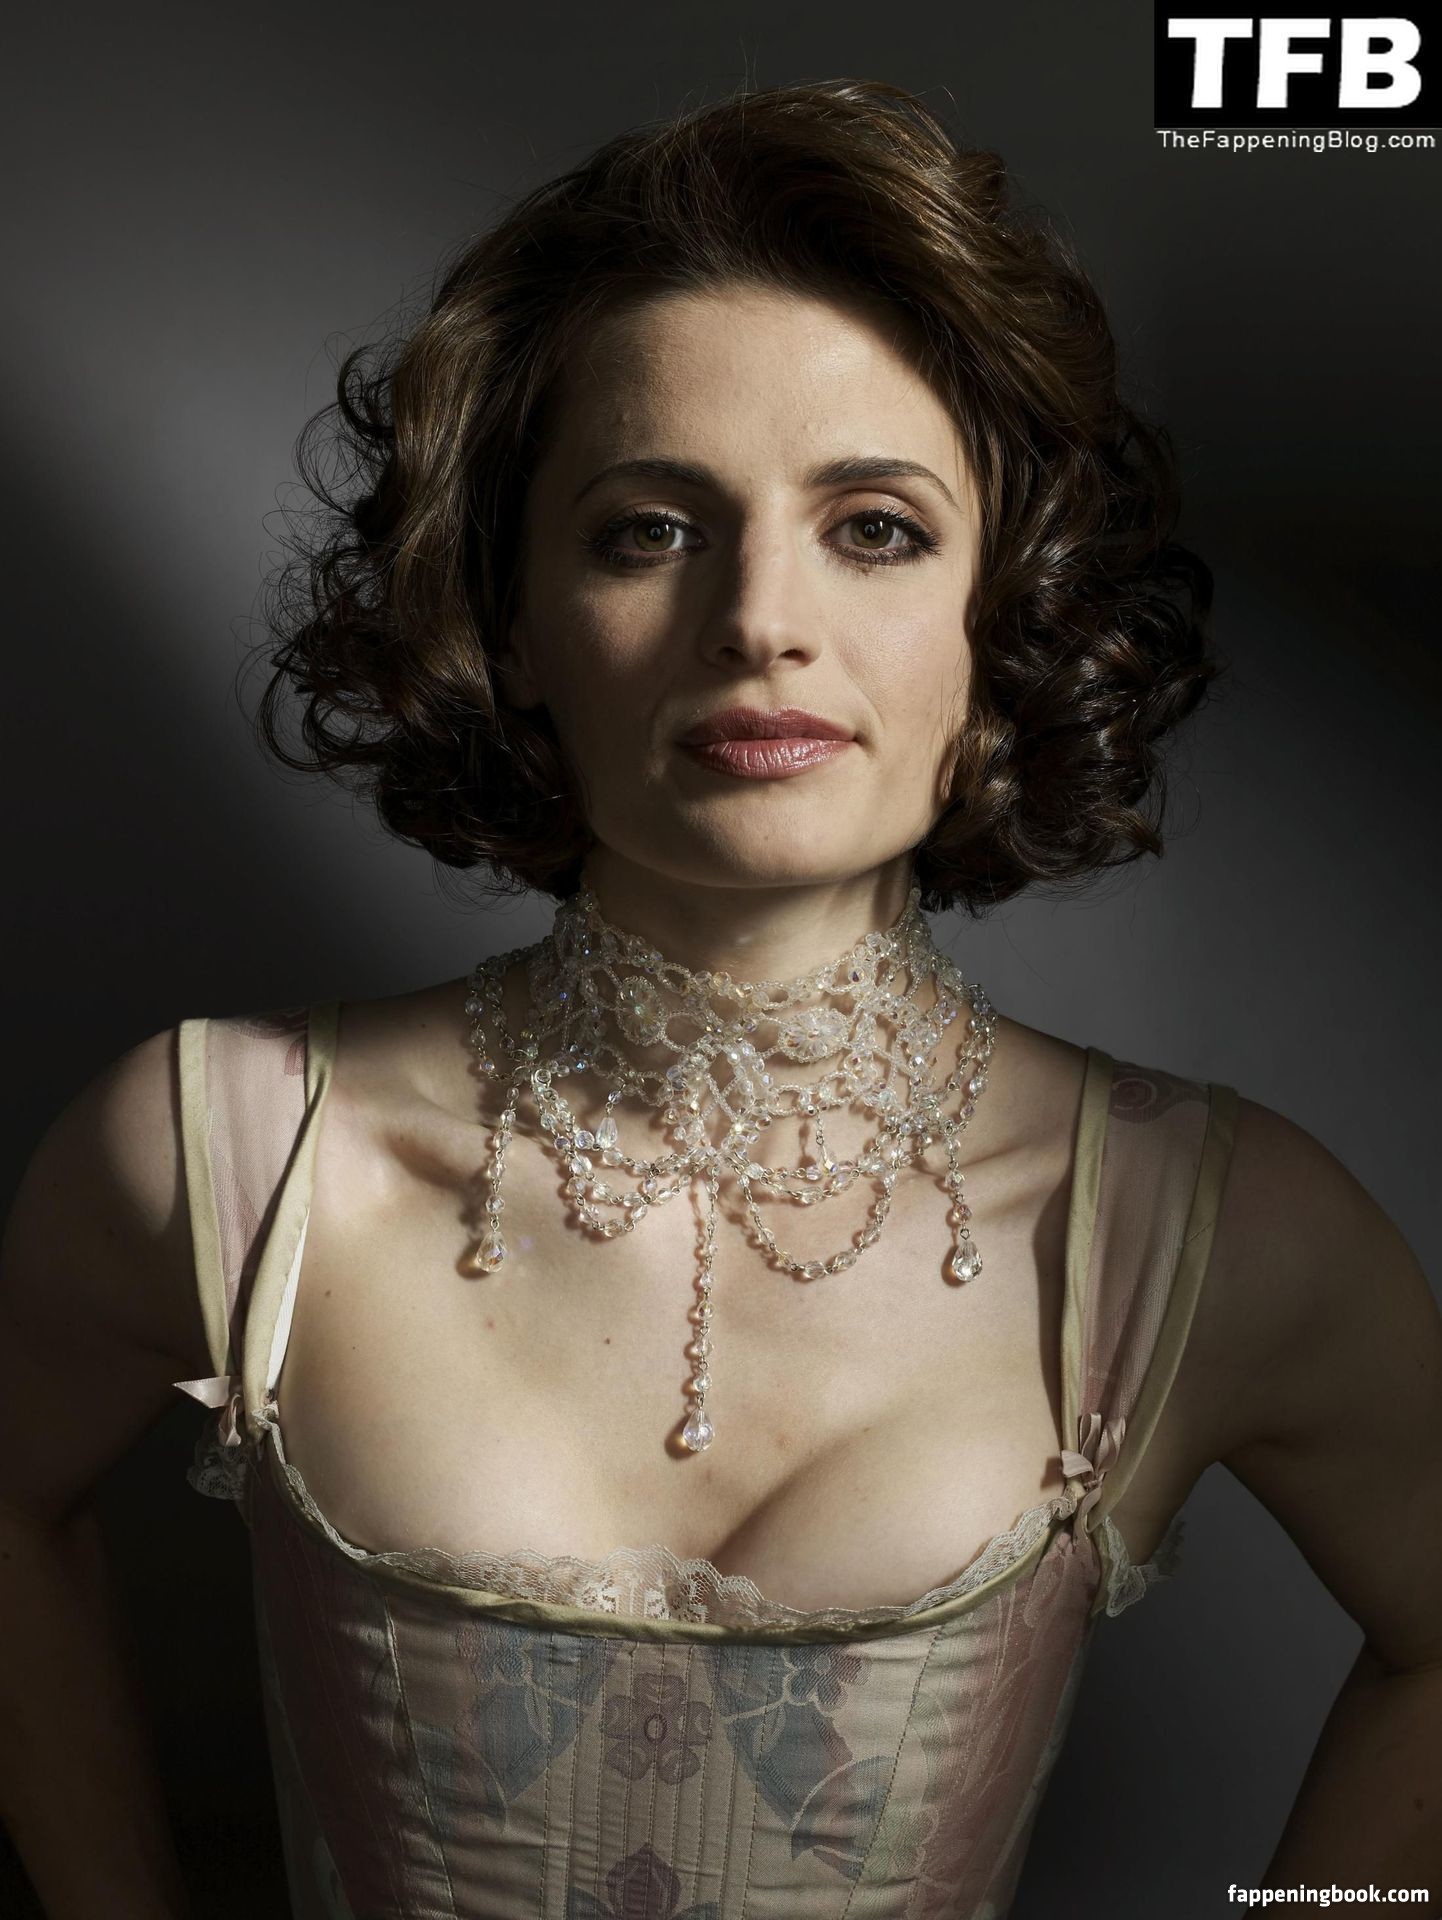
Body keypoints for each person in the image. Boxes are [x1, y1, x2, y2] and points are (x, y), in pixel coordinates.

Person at [1, 77, 1438, 1920]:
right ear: (513, 620)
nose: (759, 618)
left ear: (1000, 617)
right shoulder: (224, 1150)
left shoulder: (1207, 1225)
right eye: (647, 529)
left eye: (876, 528)